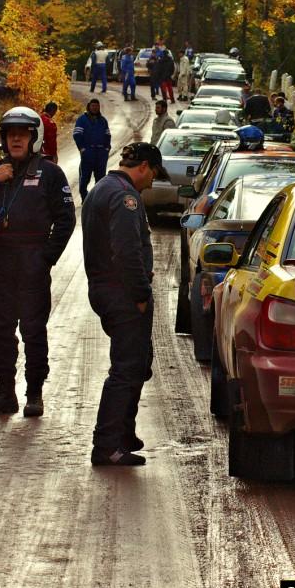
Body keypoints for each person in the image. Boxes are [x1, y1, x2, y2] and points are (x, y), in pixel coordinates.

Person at [0, 107, 76, 417]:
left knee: (33, 328)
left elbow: (66, 219)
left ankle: (34, 393)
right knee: (1, 328)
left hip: (33, 257)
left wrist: (46, 258)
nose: (15, 138)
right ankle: (4, 393)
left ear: (33, 138)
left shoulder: (50, 173)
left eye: (22, 133)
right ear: (3, 138)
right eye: (10, 133)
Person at [82, 142, 169, 466]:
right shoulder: (125, 198)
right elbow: (127, 252)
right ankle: (107, 445)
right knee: (126, 369)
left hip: (106, 290)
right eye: (154, 175)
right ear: (144, 166)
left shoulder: (103, 188)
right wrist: (140, 295)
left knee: (137, 363)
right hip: (122, 294)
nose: (152, 183)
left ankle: (123, 433)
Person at [73, 99, 112, 201]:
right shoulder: (82, 119)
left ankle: (97, 199)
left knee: (101, 179)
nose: (95, 108)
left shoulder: (103, 120)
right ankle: (85, 199)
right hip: (88, 152)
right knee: (85, 178)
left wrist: (106, 148)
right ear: (89, 107)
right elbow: (77, 134)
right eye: (93, 106)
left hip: (101, 153)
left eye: (97, 106)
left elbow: (107, 135)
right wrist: (82, 149)